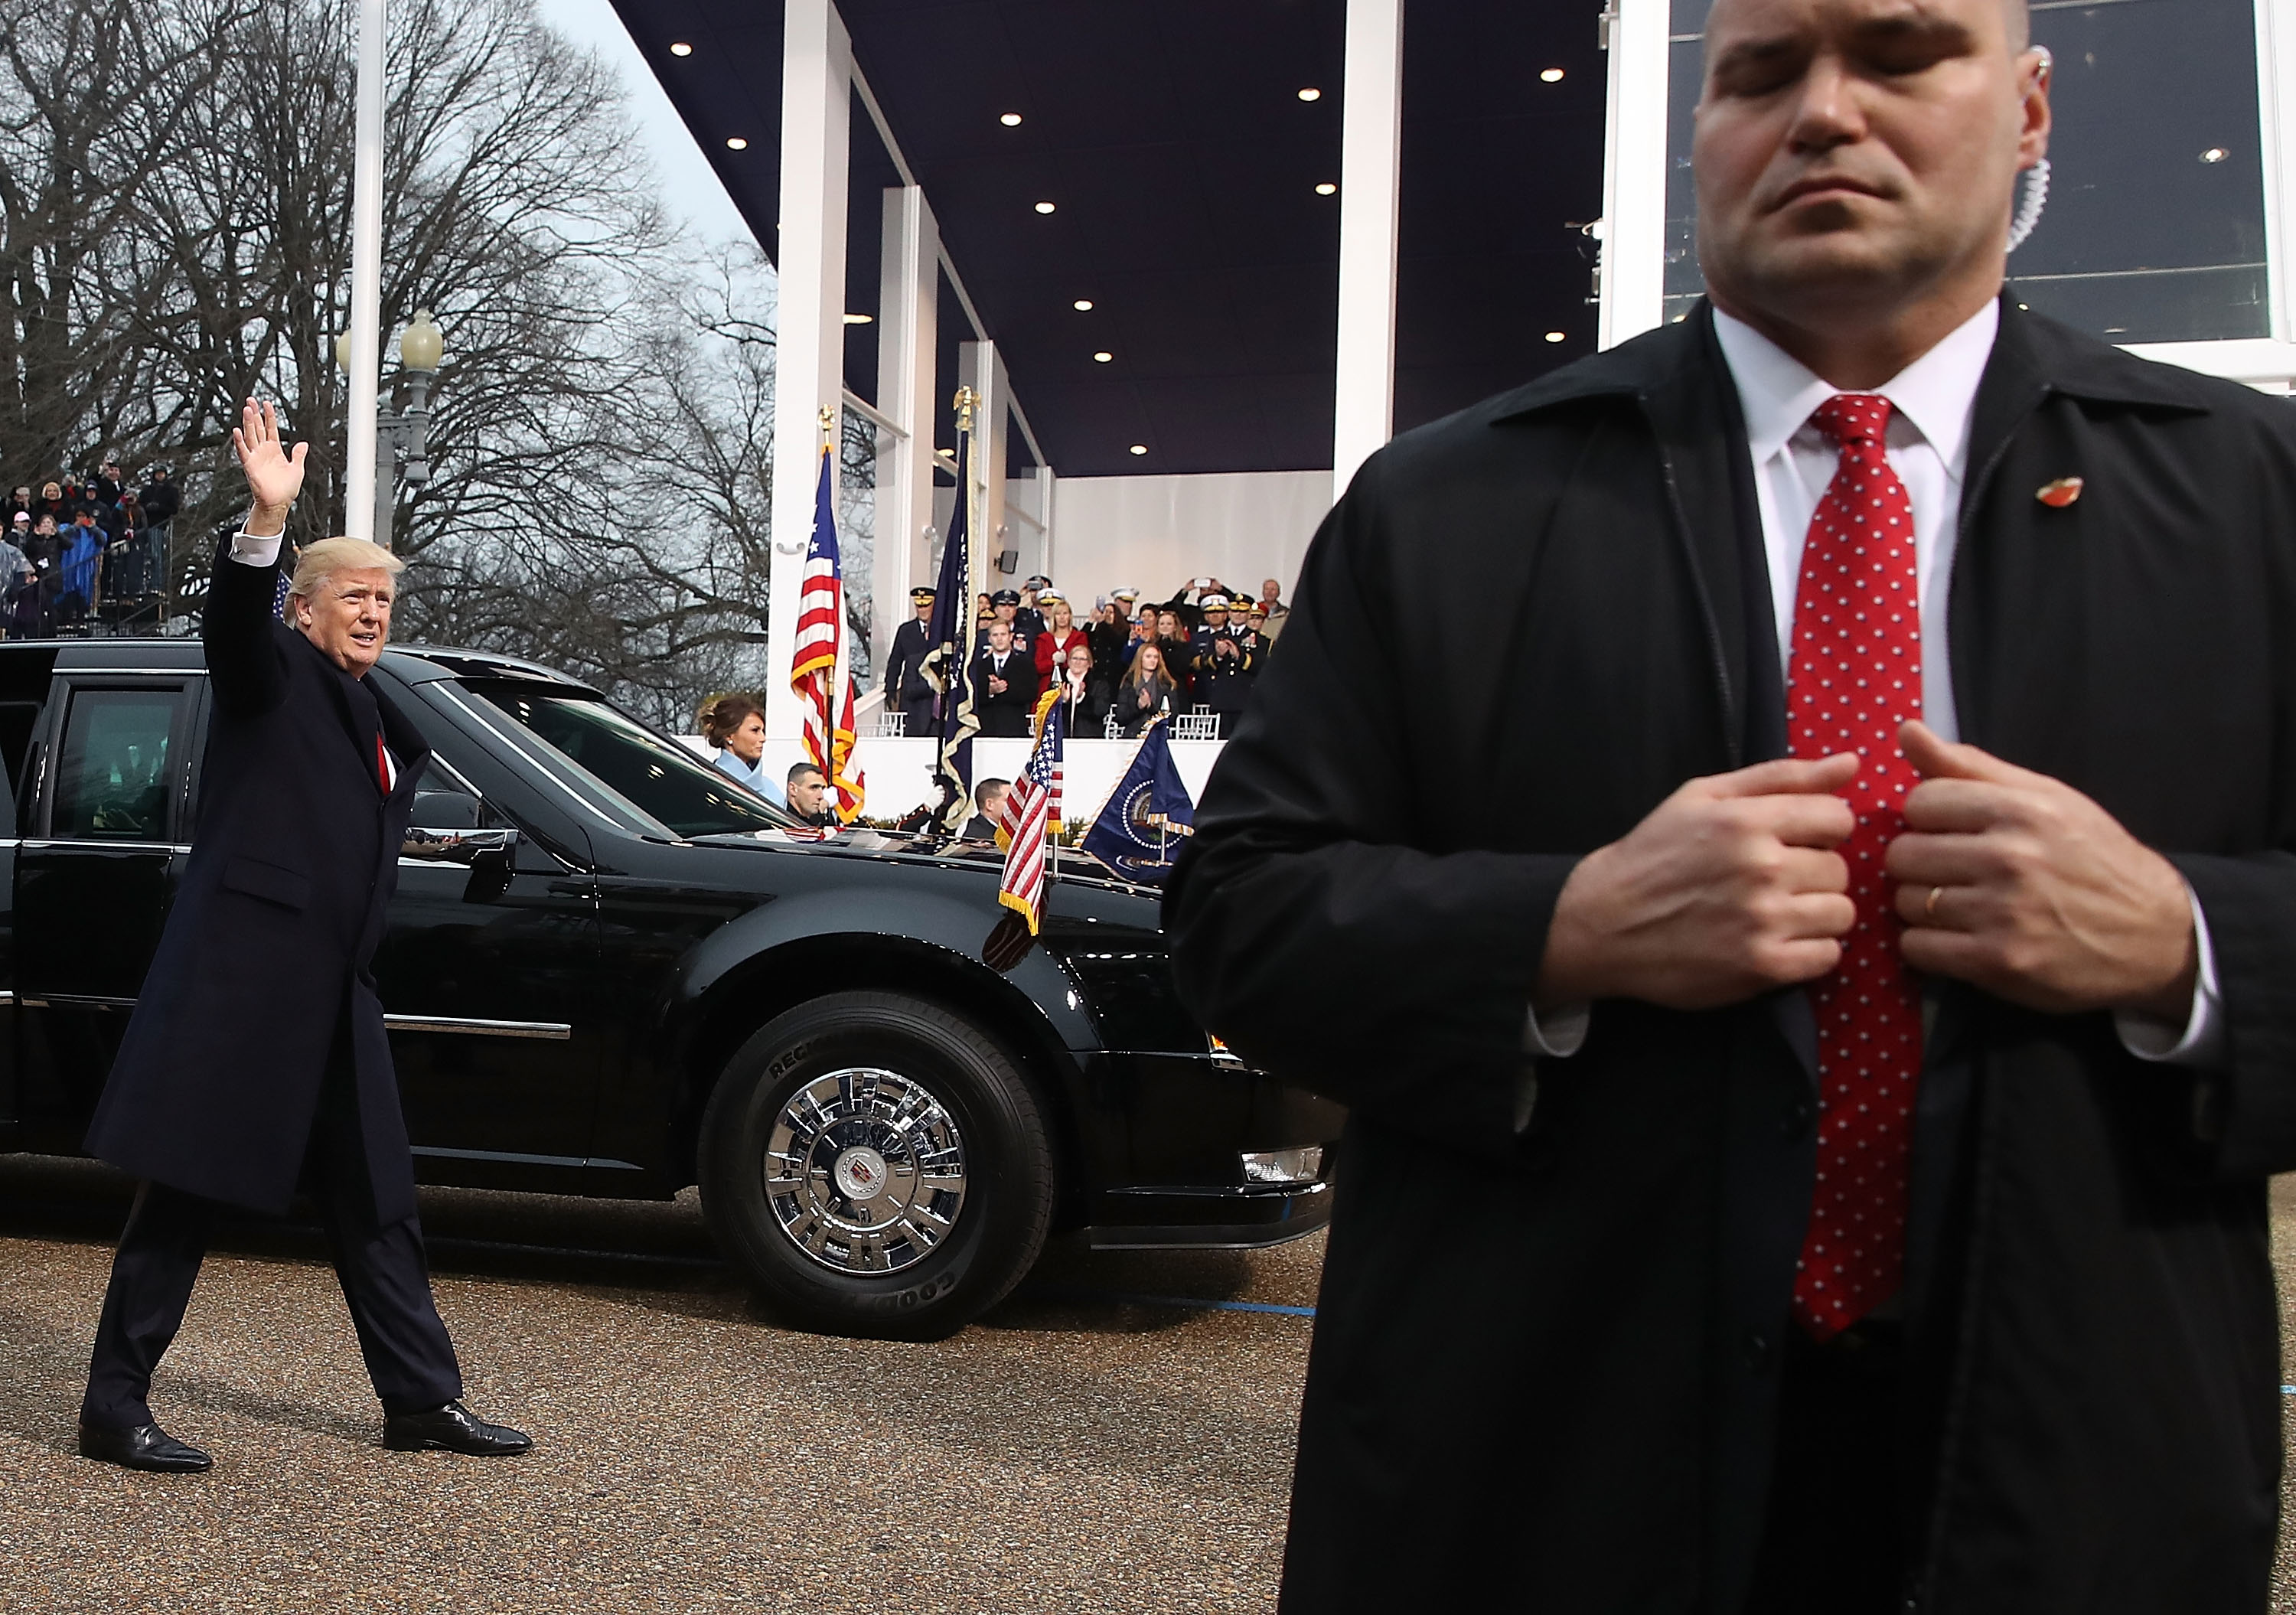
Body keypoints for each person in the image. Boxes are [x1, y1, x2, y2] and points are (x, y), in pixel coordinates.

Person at [1168, 3, 2296, 1609]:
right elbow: (1236, 918)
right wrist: (1562, 931)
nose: (1824, 113)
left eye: (1901, 56)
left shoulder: (2258, 502)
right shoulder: (1452, 505)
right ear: (1704, 132)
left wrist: (2184, 943)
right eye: (1761, 72)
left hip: (2078, 1492)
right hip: (1548, 1491)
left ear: (2031, 108)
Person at [76, 398, 530, 1473]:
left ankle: (420, 1398)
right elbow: (232, 629)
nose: (372, 614)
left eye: (383, 599)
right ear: (304, 608)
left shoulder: (371, 707)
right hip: (246, 987)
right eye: (353, 598)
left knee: (377, 1196)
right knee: (184, 1189)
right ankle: (112, 1405)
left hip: (334, 993)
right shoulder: (269, 675)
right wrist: (264, 517)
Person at [700, 693, 784, 808]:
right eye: (755, 731)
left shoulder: (772, 790)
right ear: (729, 736)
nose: (763, 738)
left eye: (763, 731)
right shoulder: (707, 782)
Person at [1191, 596, 1257, 736]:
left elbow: (1261, 666)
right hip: (1222, 699)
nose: (1238, 615)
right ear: (1229, 613)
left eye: (1243, 612)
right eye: (1234, 611)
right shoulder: (1217, 637)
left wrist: (1240, 657)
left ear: (1248, 614)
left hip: (1245, 700)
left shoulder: (1259, 639)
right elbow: (1206, 664)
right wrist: (1219, 656)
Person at [880, 585, 941, 736]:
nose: (923, 610)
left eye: (926, 605)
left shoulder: (942, 630)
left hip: (936, 696)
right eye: (919, 606)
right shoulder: (906, 630)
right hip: (913, 697)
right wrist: (890, 689)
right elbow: (895, 661)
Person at [970, 621, 1037, 737]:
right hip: (986, 729)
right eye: (995, 635)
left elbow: (1031, 693)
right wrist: (989, 691)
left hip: (1014, 728)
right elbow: (972, 694)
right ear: (989, 638)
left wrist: (1003, 688)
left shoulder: (1025, 664)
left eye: (1003, 634)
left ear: (1011, 637)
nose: (999, 639)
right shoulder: (979, 666)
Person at [1114, 641, 1177, 739]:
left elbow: (1172, 717)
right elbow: (1121, 717)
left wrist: (1150, 707)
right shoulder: (1128, 682)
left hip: (1158, 737)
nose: (1153, 660)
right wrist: (1139, 707)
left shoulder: (1167, 684)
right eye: (1148, 657)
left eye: (1156, 657)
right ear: (1140, 659)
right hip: (1132, 736)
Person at [1050, 638, 1112, 736]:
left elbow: (1100, 711)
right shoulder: (1059, 681)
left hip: (1088, 738)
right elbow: (1048, 710)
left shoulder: (1098, 683)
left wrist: (1082, 698)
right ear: (1069, 662)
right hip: (1062, 737)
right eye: (1074, 658)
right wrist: (1064, 701)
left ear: (1089, 663)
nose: (1077, 662)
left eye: (1082, 659)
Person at [1032, 590, 1087, 681]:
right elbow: (1039, 666)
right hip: (1047, 688)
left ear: (1070, 616)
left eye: (1065, 613)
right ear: (1054, 616)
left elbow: (1083, 663)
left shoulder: (1080, 637)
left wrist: (1065, 661)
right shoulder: (1043, 638)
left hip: (1072, 684)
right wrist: (1054, 663)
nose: (1062, 617)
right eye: (1058, 614)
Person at [784, 762, 833, 827]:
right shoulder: (777, 823)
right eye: (813, 788)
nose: (821, 796)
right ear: (793, 789)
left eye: (822, 788)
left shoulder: (821, 821)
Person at [1255, 577, 1290, 642]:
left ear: (1279, 593)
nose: (1269, 592)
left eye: (1273, 589)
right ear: (1263, 592)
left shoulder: (1286, 613)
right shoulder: (1254, 611)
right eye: (1267, 589)